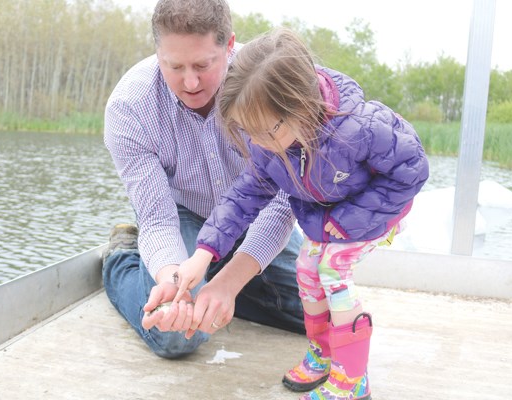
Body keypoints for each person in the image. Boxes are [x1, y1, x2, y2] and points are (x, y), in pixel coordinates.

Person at [173, 28, 429, 399]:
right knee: (307, 268)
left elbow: (413, 169)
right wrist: (205, 252)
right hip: (327, 219)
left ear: (299, 104)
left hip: (376, 211)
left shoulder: (360, 126)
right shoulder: (270, 141)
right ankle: (322, 355)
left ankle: (352, 378)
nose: (258, 142)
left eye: (266, 130)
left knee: (331, 268)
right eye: (249, 131)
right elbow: (245, 196)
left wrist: (348, 221)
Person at [102, 0, 304, 360]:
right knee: (177, 335)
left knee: (320, 313)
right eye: (174, 66)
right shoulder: (128, 108)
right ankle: (121, 259)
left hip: (259, 214)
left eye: (203, 65)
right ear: (157, 52)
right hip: (184, 214)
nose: (190, 82)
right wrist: (172, 283)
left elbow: (285, 201)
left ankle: (218, 279)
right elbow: (158, 218)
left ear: (229, 47)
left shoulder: (268, 84)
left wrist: (230, 283)